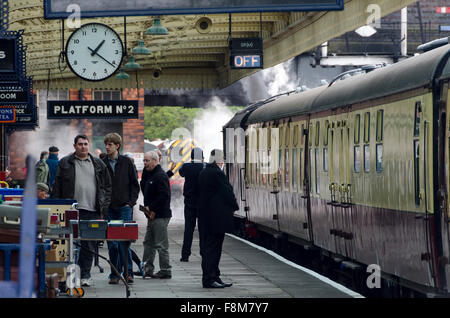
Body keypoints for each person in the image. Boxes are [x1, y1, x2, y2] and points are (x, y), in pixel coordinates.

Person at [52, 134, 112, 287]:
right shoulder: (65, 162)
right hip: (70, 210)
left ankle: (84, 275)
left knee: (88, 245)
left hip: (91, 210)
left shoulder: (98, 164)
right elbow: (57, 186)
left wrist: (103, 207)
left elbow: (107, 187)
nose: (83, 147)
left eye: (85, 144)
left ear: (89, 145)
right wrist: (57, 207)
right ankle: (66, 276)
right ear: (74, 146)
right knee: (68, 245)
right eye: (80, 144)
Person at [100, 133, 139, 285]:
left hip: (124, 207)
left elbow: (135, 185)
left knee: (125, 242)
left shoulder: (126, 162)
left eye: (110, 144)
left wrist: (131, 203)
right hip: (109, 208)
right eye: (106, 144)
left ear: (117, 146)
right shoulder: (101, 163)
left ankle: (128, 273)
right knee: (112, 243)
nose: (107, 147)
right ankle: (114, 274)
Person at [198, 149, 239, 288]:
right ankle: (210, 279)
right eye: (222, 159)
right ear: (218, 160)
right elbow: (227, 191)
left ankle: (214, 276)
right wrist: (234, 206)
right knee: (213, 249)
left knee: (208, 248)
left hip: (205, 218)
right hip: (216, 219)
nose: (222, 162)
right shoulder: (217, 173)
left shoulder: (204, 172)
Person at [141, 151, 172, 279]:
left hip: (160, 215)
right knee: (148, 243)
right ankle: (147, 269)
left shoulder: (160, 175)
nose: (145, 163)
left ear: (155, 161)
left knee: (161, 244)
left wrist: (151, 207)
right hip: (151, 215)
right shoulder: (150, 174)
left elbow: (165, 195)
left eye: (147, 161)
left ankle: (165, 270)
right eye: (144, 160)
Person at [178, 147, 205, 262]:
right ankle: (204, 253)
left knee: (188, 229)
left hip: (189, 202)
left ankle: (185, 255)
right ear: (202, 157)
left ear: (192, 156)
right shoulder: (205, 167)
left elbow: (181, 173)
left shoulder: (186, 166)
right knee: (203, 229)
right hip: (203, 203)